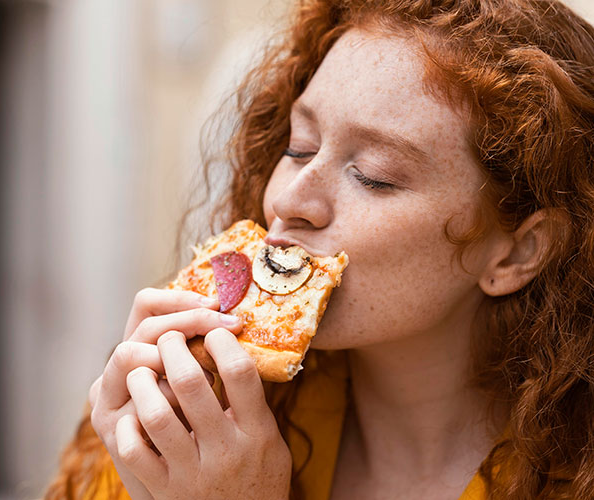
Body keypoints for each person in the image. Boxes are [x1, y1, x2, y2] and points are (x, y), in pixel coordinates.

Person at [43, 0, 594, 498]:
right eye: (298, 146)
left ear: (517, 253)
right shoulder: (189, 429)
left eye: (374, 177)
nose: (289, 197)